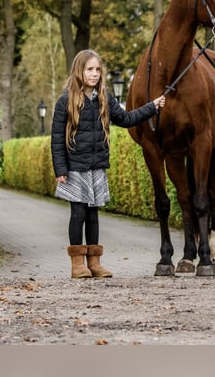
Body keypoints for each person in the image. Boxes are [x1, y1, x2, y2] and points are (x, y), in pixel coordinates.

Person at [50, 49, 165, 279]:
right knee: (78, 213)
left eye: (97, 70)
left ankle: (94, 263)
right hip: (75, 167)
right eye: (89, 69)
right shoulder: (66, 101)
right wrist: (60, 168)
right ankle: (77, 264)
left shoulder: (104, 98)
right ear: (79, 71)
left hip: (96, 166)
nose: (94, 74)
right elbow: (56, 138)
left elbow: (126, 119)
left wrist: (151, 107)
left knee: (93, 214)